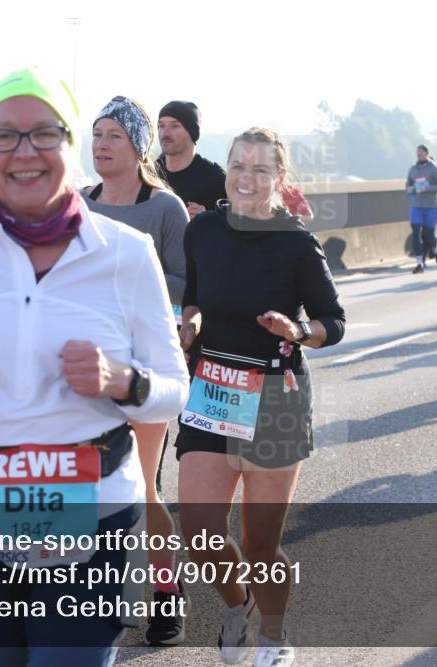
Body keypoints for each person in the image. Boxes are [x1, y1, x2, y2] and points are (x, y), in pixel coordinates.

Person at [0, 68, 189, 665]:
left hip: (92, 506)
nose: (25, 152)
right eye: (4, 136)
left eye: (45, 133)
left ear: (71, 147)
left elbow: (173, 387)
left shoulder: (126, 252)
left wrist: (120, 381)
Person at [175, 127, 345, 667]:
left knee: (259, 547)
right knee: (199, 533)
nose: (246, 179)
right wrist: (190, 323)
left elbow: (332, 321)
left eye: (260, 170)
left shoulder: (296, 242)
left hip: (275, 395)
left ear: (280, 178)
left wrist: (297, 333)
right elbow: (196, 297)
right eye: (238, 166)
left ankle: (273, 635)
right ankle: (240, 605)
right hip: (214, 391)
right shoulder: (201, 230)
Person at [82, 95, 190, 647]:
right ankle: (92, 597)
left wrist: (126, 286)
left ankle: (165, 594)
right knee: (85, 485)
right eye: (96, 135)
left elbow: (183, 282)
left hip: (144, 365)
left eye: (112, 137)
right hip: (82, 368)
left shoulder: (163, 209)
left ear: (137, 146)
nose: (100, 145)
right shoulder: (77, 203)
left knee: (140, 486)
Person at [155, 101, 227, 218]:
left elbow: (235, 227)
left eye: (175, 126)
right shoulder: (148, 175)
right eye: (161, 125)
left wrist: (208, 218)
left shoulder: (216, 179)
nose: (165, 133)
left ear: (192, 132)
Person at [405, 144, 437, 273]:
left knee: (429, 234)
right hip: (416, 206)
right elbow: (408, 186)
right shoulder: (412, 169)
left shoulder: (435, 168)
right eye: (418, 154)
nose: (419, 156)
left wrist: (426, 188)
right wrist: (410, 189)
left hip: (431, 206)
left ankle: (435, 250)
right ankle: (420, 264)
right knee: (416, 233)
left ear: (427, 154)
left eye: (421, 153)